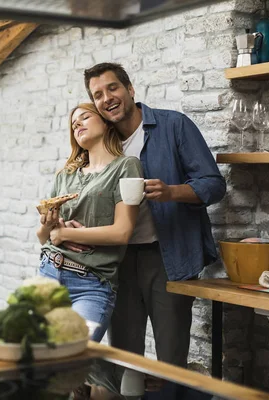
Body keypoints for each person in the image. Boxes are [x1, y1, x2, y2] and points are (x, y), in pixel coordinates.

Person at [63, 62, 226, 367]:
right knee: (123, 357)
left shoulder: (173, 126)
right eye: (98, 94)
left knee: (170, 356)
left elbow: (214, 184)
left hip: (168, 257)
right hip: (115, 260)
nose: (107, 97)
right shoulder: (102, 141)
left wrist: (171, 192)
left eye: (113, 87)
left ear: (130, 89)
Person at [37, 102, 141, 343]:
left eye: (85, 117)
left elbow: (122, 232)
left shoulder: (126, 166)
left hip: (92, 284)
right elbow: (43, 237)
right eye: (74, 125)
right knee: (36, 357)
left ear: (105, 123)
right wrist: (49, 226)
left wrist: (64, 235)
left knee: (70, 353)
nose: (78, 125)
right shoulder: (65, 174)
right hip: (48, 273)